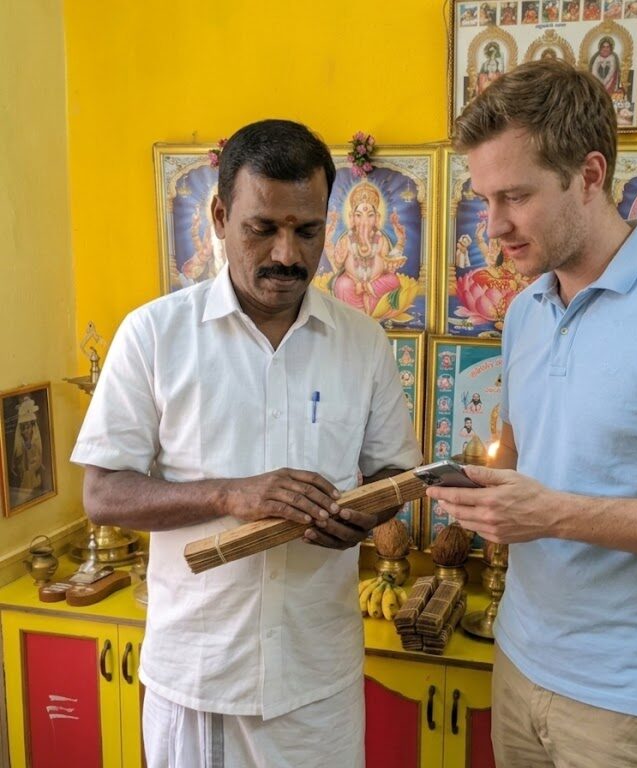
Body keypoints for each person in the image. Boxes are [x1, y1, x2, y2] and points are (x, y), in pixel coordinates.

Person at [428, 60, 637, 767]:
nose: (494, 227)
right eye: (485, 199)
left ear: (588, 175)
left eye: (515, 196)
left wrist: (551, 513)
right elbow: (526, 464)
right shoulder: (524, 311)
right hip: (518, 664)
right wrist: (476, 491)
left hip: (627, 704)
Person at [71, 119, 421, 768]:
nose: (288, 254)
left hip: (318, 685)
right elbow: (102, 492)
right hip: (201, 682)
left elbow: (395, 470)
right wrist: (232, 494)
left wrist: (362, 515)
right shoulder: (154, 336)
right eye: (263, 228)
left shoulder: (362, 341)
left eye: (308, 231)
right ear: (221, 214)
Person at [325, 181, 407, 315]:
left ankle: (369, 298)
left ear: (377, 218)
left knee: (393, 280)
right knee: (342, 284)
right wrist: (328, 242)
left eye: (370, 215)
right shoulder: (347, 239)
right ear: (351, 218)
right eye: (359, 215)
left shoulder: (381, 240)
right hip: (352, 283)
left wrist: (401, 241)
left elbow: (388, 263)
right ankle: (355, 316)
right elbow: (337, 264)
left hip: (374, 284)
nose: (364, 221)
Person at [11, 395, 44, 502]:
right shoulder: (20, 446)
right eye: (23, 428)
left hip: (34, 479)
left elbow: (36, 462)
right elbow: (18, 463)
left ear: (32, 428)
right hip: (24, 480)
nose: (25, 431)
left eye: (28, 427)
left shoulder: (35, 444)